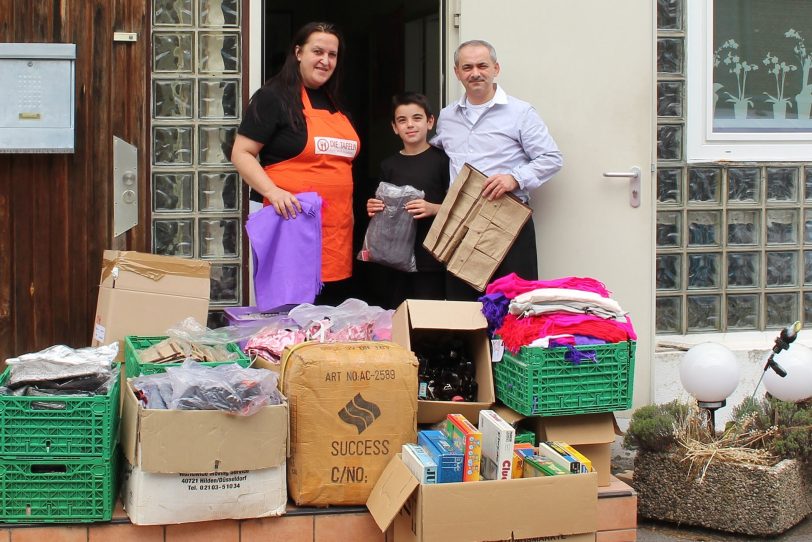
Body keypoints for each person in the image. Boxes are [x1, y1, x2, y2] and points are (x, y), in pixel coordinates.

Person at [231, 22, 360, 306]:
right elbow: (241, 153)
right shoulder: (273, 97)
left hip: (335, 231)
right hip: (290, 227)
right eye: (317, 51)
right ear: (298, 52)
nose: (325, 61)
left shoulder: (335, 101)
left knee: (330, 317)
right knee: (291, 317)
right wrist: (273, 191)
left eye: (332, 54)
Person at [431, 39, 563, 301]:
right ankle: (467, 345)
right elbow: (434, 154)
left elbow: (551, 157)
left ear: (496, 68)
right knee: (463, 304)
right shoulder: (447, 117)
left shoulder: (520, 112)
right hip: (462, 221)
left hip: (508, 218)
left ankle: (507, 345)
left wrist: (514, 178)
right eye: (467, 67)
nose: (475, 73)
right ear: (457, 73)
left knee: (514, 302)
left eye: (482, 65)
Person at [364, 92, 449, 309]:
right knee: (396, 313)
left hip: (431, 257)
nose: (410, 125)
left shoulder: (443, 161)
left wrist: (433, 208)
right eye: (402, 120)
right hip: (394, 258)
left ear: (430, 122)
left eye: (417, 118)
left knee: (430, 316)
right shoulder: (388, 165)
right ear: (394, 127)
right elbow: (380, 206)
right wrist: (373, 206)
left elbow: (457, 206)